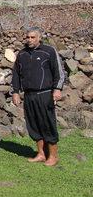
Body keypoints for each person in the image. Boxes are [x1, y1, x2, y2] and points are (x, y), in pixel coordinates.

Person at [11, 27, 65, 166]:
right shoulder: (22, 54)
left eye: (32, 37)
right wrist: (16, 92)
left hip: (45, 94)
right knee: (33, 125)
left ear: (39, 38)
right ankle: (41, 154)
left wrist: (57, 89)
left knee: (48, 124)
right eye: (27, 37)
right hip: (29, 95)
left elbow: (58, 71)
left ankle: (53, 156)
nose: (29, 40)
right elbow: (16, 74)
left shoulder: (48, 51)